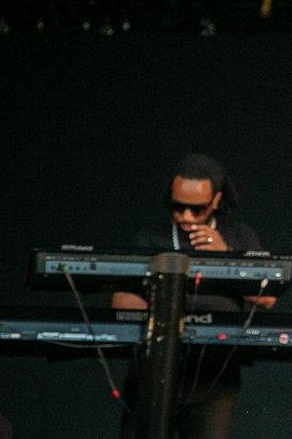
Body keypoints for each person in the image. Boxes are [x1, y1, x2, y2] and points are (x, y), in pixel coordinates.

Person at [112, 153, 275, 439]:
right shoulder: (152, 237)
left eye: (197, 209)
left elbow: (266, 297)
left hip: (213, 376)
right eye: (178, 207)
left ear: (216, 200)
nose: (186, 217)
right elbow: (122, 301)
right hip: (154, 370)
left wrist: (226, 257)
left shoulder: (238, 236)